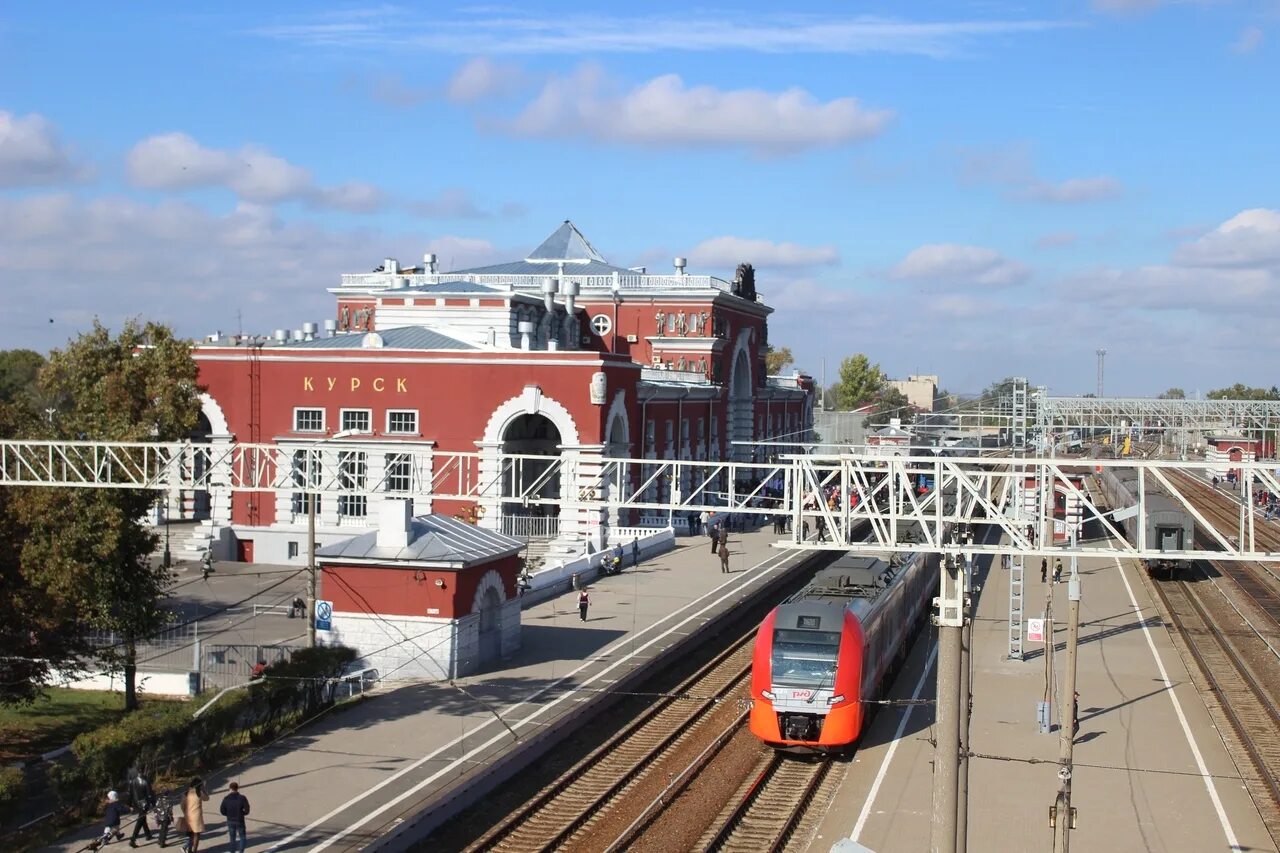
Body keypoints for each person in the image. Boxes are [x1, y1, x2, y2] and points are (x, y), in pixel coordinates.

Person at [127, 767, 155, 847]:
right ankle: (133, 839)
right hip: (142, 804)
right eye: (140, 772)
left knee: (142, 818)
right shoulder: (145, 781)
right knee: (140, 820)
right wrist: (152, 803)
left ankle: (148, 834)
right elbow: (149, 794)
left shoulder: (134, 781)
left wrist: (130, 804)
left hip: (138, 803)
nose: (141, 773)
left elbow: (131, 793)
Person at [179, 778, 209, 853]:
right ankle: (194, 850)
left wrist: (185, 812)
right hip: (197, 817)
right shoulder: (199, 792)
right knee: (196, 835)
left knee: (190, 834)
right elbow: (207, 798)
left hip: (188, 816)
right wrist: (204, 789)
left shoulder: (186, 792)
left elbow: (182, 805)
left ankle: (189, 849)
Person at [219, 782, 251, 853]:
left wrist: (228, 814)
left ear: (230, 789)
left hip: (230, 820)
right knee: (242, 837)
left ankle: (232, 851)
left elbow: (222, 810)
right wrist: (243, 813)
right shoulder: (242, 798)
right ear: (237, 788)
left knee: (232, 838)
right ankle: (241, 851)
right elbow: (247, 810)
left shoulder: (226, 798)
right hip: (240, 819)